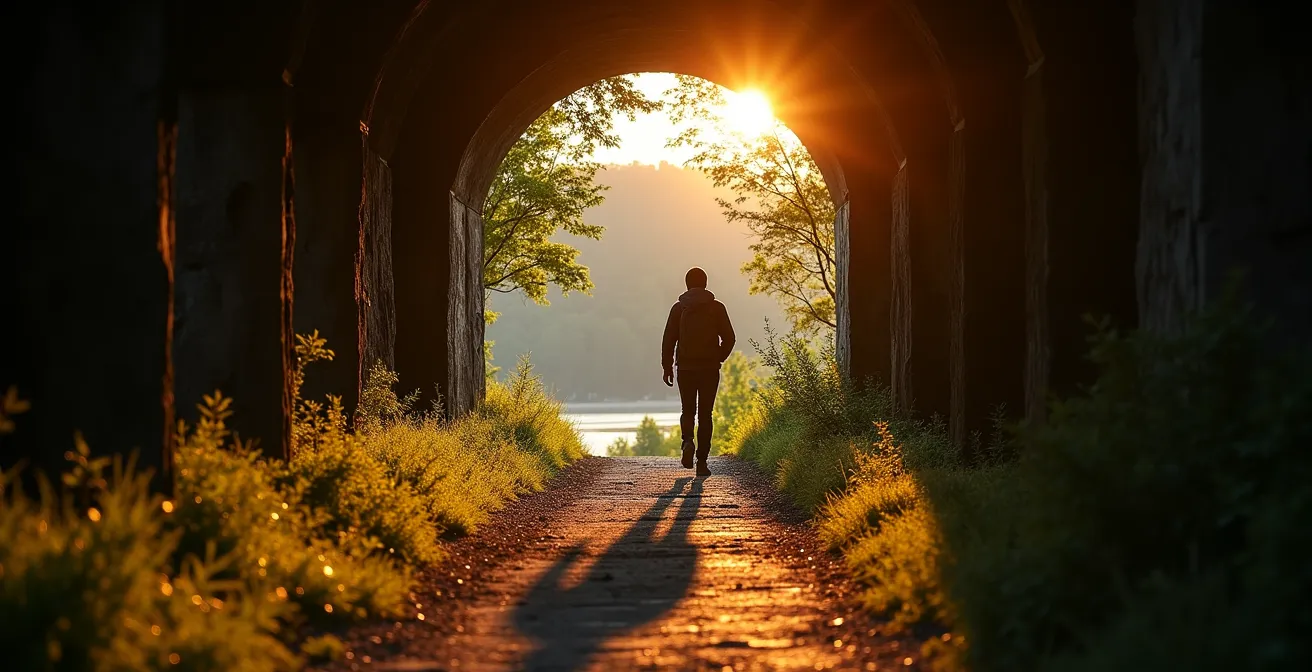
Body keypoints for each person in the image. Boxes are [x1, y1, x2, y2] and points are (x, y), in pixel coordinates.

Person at [662, 267, 736, 476]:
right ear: (705, 283)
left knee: (688, 410)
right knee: (705, 414)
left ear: (687, 284)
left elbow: (668, 340)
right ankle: (701, 462)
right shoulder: (717, 308)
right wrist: (718, 357)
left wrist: (667, 366)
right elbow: (730, 338)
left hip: (685, 368)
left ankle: (687, 442)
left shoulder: (679, 309)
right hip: (709, 369)